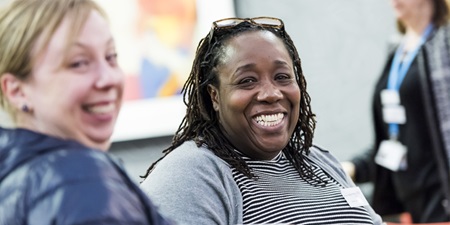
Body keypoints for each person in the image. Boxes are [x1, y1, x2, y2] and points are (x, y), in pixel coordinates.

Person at [140, 16, 383, 225]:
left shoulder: (319, 161)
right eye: (247, 80)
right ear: (214, 95)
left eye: (282, 76)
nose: (271, 93)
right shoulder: (191, 175)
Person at [0, 0, 173, 224]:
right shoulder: (79, 180)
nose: (108, 78)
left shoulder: (17, 180)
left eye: (111, 57)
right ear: (16, 91)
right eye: (79, 63)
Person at [341, 0, 450, 222]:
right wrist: (352, 168)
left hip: (441, 205)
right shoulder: (397, 51)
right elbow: (398, 137)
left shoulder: (444, 46)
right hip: (406, 208)